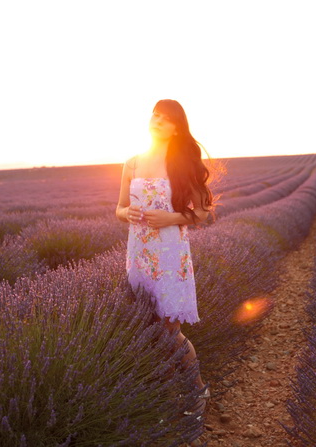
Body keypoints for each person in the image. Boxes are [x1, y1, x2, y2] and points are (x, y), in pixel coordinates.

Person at [115, 99, 216, 415]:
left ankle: (198, 391)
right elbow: (118, 208)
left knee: (170, 330)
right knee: (149, 327)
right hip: (140, 253)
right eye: (154, 114)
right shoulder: (131, 163)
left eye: (165, 118)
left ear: (176, 128)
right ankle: (173, 396)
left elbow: (203, 212)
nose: (157, 120)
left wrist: (171, 218)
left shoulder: (183, 164)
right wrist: (126, 212)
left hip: (171, 254)